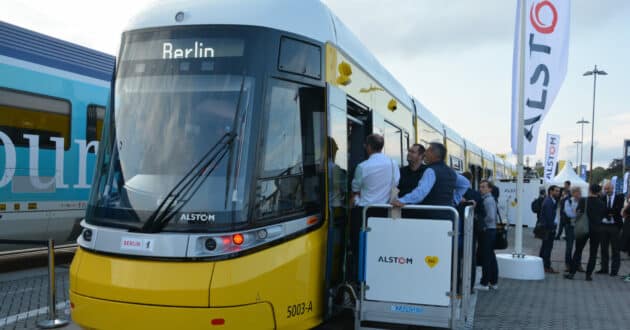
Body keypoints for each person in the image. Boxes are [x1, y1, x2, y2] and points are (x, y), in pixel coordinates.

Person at [348, 134, 399, 281]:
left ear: (368, 146)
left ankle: (361, 280)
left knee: (360, 247)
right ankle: (379, 279)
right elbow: (395, 183)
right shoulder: (392, 164)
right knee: (380, 247)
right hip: (384, 212)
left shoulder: (362, 167)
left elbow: (355, 188)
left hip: (364, 213)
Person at [564, 184, 606, 281]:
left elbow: (578, 212)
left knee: (578, 250)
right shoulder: (602, 203)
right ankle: (588, 275)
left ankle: (572, 273)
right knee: (593, 253)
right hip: (597, 230)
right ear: (599, 192)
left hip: (584, 228)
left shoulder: (583, 200)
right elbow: (603, 215)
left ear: (590, 190)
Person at [475, 180, 499, 290]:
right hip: (491, 230)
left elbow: (490, 217)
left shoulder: (488, 200)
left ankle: (485, 282)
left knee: (487, 257)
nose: (481, 189)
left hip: (487, 230)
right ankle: (493, 281)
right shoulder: (489, 199)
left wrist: (479, 220)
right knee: (491, 257)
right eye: (480, 187)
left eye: (484, 187)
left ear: (490, 189)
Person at [597, 182, 624, 276]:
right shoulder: (602, 198)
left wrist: (608, 211)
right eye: (605, 189)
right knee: (603, 248)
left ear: (613, 188)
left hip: (615, 226)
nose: (606, 191)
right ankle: (604, 268)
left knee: (615, 249)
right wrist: (610, 212)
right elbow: (600, 210)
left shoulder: (619, 198)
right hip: (603, 226)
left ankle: (614, 270)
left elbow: (618, 210)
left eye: (608, 189)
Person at [539, 185, 561, 273]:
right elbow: (549, 217)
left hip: (548, 228)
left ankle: (541, 264)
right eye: (556, 191)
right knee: (547, 247)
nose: (558, 193)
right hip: (548, 228)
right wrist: (553, 227)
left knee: (545, 247)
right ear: (551, 191)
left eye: (558, 191)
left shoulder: (552, 200)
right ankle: (546, 266)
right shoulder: (548, 201)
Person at [562, 187, 581, 272]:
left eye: (579, 193)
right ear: (573, 193)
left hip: (580, 227)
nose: (578, 194)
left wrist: (576, 213)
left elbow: (584, 213)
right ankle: (568, 265)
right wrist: (577, 214)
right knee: (569, 247)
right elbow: (569, 214)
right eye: (577, 193)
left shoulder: (582, 201)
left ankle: (578, 264)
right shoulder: (568, 201)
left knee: (579, 247)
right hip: (570, 226)